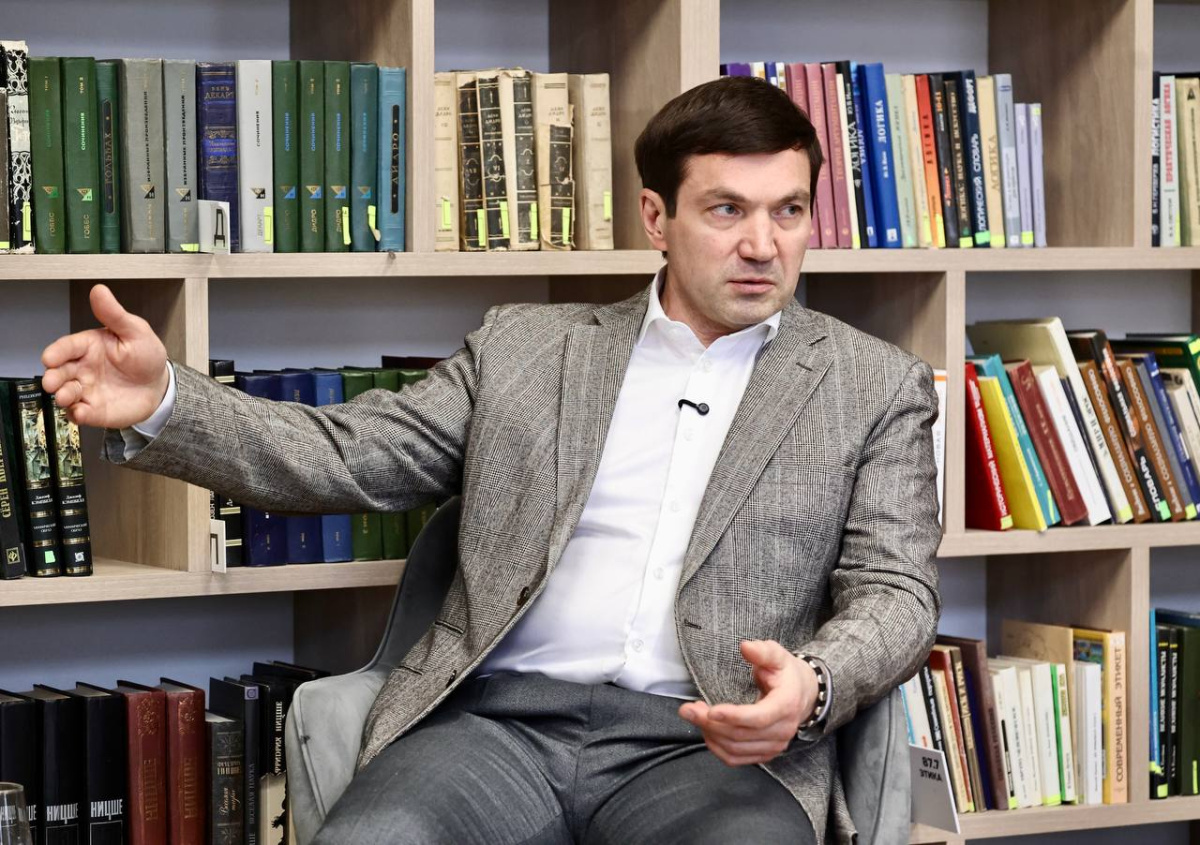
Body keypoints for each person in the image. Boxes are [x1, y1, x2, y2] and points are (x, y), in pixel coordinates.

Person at [40, 76, 941, 845]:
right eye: (727, 210)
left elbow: (895, 590)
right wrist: (169, 400)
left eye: (789, 211)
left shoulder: (873, 384)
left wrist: (812, 684)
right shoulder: (527, 348)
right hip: (496, 725)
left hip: (710, 749)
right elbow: (352, 455)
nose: (763, 244)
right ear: (656, 218)